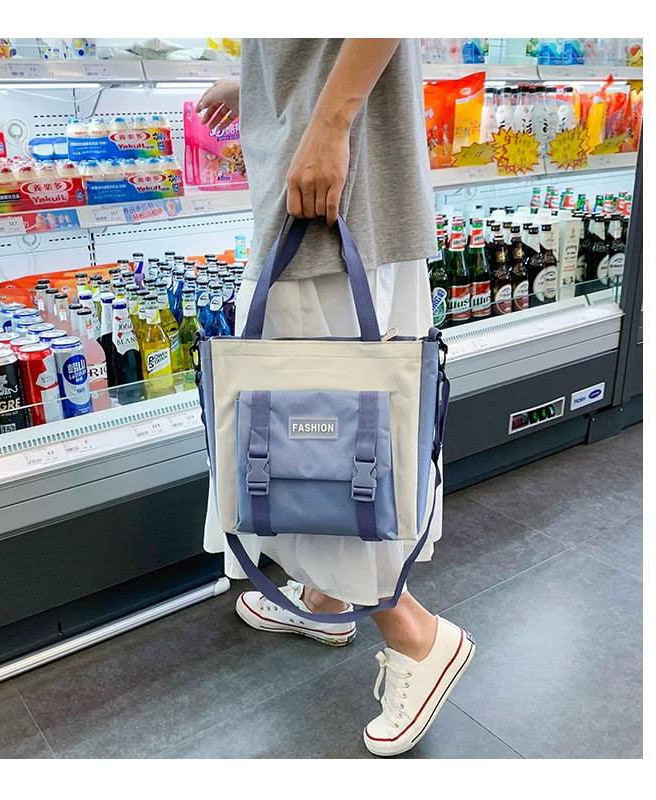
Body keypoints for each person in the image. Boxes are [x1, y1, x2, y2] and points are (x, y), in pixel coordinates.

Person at [198, 38, 474, 757]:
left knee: (313, 447)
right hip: (338, 167)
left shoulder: (329, 136)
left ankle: (418, 638)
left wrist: (329, 120)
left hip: (328, 182)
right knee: (346, 436)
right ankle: (328, 596)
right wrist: (262, 82)